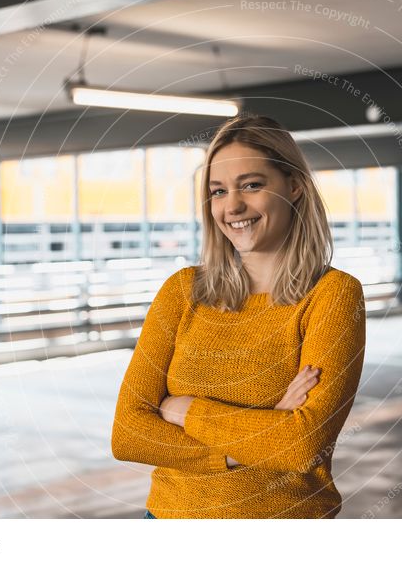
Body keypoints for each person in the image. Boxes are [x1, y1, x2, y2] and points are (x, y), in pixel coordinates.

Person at [111, 114, 366, 519]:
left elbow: (301, 445)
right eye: (218, 191)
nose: (232, 206)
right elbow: (128, 433)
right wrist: (258, 437)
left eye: (252, 184)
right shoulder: (182, 291)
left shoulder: (331, 296)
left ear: (295, 186)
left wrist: (183, 410)